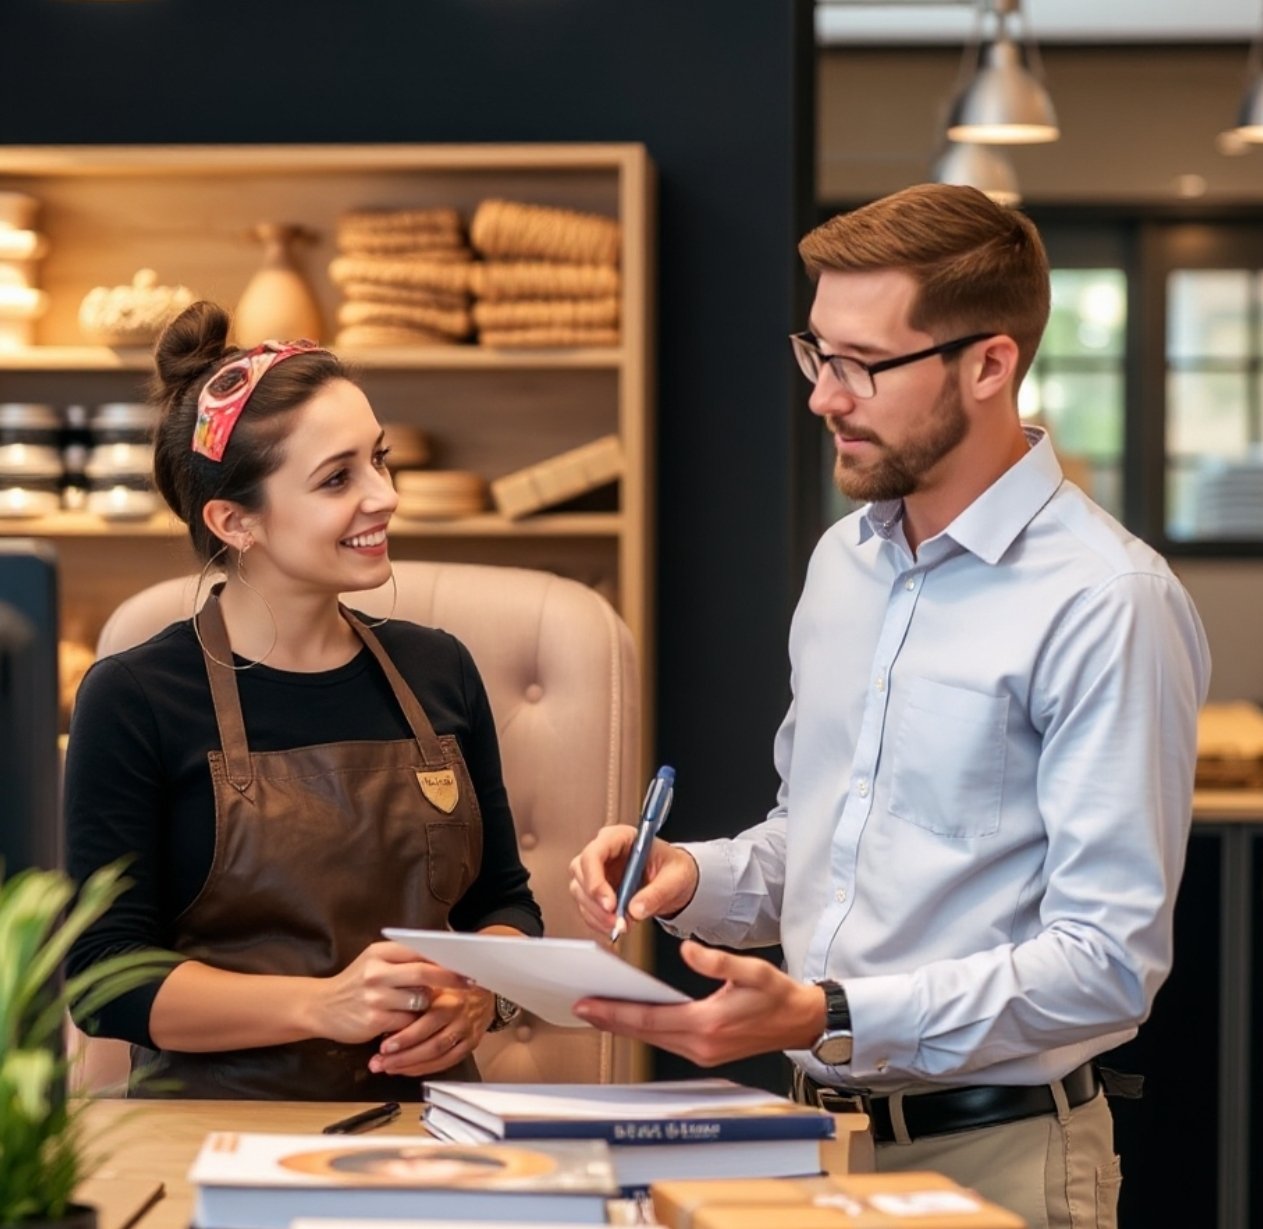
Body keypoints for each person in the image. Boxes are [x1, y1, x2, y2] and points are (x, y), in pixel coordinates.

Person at [569, 183, 1211, 1228]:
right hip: (815, 1144)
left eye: (862, 364)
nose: (823, 395)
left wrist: (831, 1013)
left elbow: (1107, 965)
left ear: (990, 363)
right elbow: (819, 841)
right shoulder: (845, 563)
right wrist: (692, 877)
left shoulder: (1109, 601)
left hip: (1000, 1157)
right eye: (815, 353)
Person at [66, 301, 540, 1099]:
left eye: (379, 460)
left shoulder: (440, 671)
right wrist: (324, 1004)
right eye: (337, 478)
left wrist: (479, 991)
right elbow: (106, 978)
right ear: (234, 520)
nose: (383, 495)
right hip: (205, 1136)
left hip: (428, 1125)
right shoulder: (136, 697)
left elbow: (505, 905)